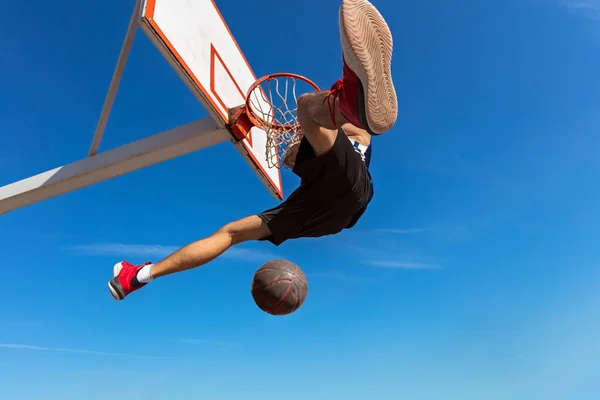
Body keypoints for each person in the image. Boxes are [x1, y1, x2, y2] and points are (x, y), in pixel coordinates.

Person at [108, 0, 398, 301]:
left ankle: (140, 277)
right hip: (344, 202)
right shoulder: (342, 147)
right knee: (316, 113)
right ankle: (135, 276)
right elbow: (325, 146)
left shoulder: (330, 153)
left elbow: (300, 154)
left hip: (328, 212)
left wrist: (299, 137)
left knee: (307, 110)